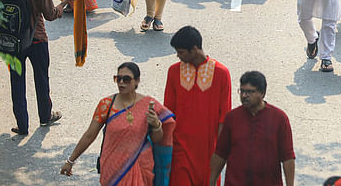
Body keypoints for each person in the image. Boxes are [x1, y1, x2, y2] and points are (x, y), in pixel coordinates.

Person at [60, 62, 176, 183]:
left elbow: (158, 139)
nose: (121, 83)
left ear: (137, 81)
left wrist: (156, 125)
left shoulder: (149, 105)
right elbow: (90, 135)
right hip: (112, 168)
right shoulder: (106, 105)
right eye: (118, 78)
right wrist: (70, 161)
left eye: (126, 79)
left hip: (140, 166)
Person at [1, 0, 77, 135]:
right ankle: (45, 116)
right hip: (37, 40)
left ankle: (22, 125)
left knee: (16, 83)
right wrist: (66, 1)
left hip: (13, 44)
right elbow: (51, 14)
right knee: (42, 79)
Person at [165, 26, 231, 186]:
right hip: (180, 150)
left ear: (194, 49)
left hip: (209, 152)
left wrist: (220, 152)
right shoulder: (173, 72)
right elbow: (167, 112)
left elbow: (225, 117)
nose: (178, 56)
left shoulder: (222, 73)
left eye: (181, 52)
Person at [210, 71, 295, 186]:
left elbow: (287, 157)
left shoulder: (279, 119)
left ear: (262, 93)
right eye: (242, 91)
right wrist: (212, 181)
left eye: (250, 92)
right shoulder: (232, 118)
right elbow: (220, 153)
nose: (244, 95)